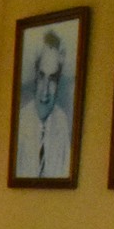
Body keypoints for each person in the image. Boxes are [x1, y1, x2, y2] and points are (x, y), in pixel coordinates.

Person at [15, 30, 72, 179]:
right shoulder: (20, 122)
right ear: (35, 77)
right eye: (41, 77)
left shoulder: (62, 122)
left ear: (58, 83)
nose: (45, 90)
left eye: (52, 79)